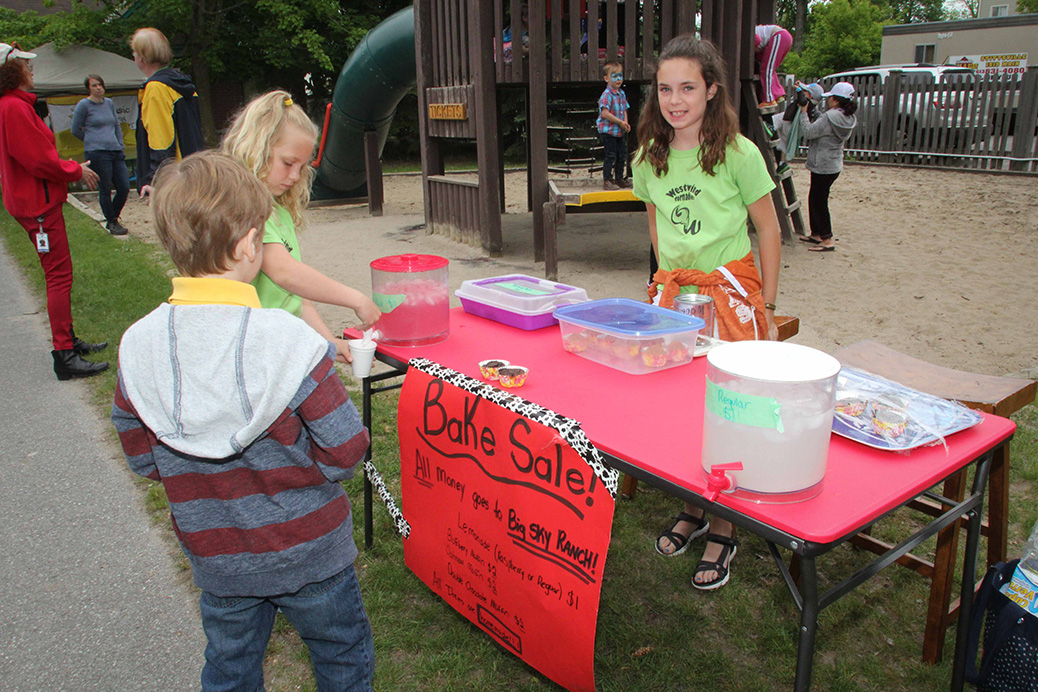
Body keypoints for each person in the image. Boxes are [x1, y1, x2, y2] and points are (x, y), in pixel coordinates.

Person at [111, 151, 375, 691]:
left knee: (230, 668)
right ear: (250, 244)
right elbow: (345, 447)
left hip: (218, 555)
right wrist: (311, 473)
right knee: (341, 657)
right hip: (310, 549)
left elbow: (141, 454)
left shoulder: (138, 345)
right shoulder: (290, 342)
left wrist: (195, 478)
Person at [633, 35, 781, 590]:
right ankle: (692, 508)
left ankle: (724, 527)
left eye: (687, 88)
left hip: (728, 295)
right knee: (678, 408)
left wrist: (767, 305)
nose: (675, 100)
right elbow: (656, 224)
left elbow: (769, 228)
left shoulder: (739, 153)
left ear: (712, 90)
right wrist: (664, 284)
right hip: (677, 300)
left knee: (726, 411)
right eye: (665, 89)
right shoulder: (648, 157)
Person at [221, 91, 380, 363]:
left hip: (281, 345)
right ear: (256, 149)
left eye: (303, 167)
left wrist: (329, 342)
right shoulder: (247, 211)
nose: (295, 176)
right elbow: (284, 273)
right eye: (287, 163)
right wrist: (355, 298)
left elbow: (295, 298)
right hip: (255, 352)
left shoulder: (279, 213)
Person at [0, 42, 109, 381]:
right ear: (10, 71)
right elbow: (37, 160)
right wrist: (75, 171)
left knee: (59, 274)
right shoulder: (13, 108)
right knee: (59, 276)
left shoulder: (15, 106)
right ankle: (64, 354)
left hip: (34, 201)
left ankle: (68, 341)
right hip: (38, 205)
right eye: (24, 64)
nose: (31, 69)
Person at [130, 27, 204, 197]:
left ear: (142, 57)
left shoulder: (156, 88)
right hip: (193, 170)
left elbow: (160, 141)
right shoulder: (183, 85)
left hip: (174, 179)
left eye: (134, 52)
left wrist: (158, 183)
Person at [798, 82, 857, 252]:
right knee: (815, 197)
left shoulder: (829, 117)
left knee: (819, 202)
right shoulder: (847, 117)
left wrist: (803, 112)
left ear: (836, 100)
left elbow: (809, 132)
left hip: (822, 165)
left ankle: (827, 238)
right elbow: (822, 123)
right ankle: (816, 233)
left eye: (830, 97)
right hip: (833, 164)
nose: (828, 100)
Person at [71, 74, 130, 236]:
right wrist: (91, 140)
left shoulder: (109, 103)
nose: (98, 88)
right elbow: (75, 129)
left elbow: (116, 125)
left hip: (115, 150)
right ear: (88, 89)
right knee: (105, 187)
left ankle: (113, 216)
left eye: (100, 84)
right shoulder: (84, 105)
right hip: (97, 152)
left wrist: (120, 144)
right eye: (94, 85)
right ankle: (111, 221)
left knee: (124, 186)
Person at [773, 81, 824, 171]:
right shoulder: (813, 104)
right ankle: (782, 163)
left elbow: (802, 100)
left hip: (791, 123)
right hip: (792, 123)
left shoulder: (807, 102)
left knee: (777, 121)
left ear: (810, 95)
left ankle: (771, 126)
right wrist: (800, 85)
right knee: (785, 143)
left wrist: (798, 90)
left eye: (805, 91)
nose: (803, 92)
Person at [597, 60, 631, 190]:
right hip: (608, 131)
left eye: (620, 76)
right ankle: (607, 180)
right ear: (606, 78)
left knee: (622, 155)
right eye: (615, 76)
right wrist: (620, 122)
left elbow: (625, 109)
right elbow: (605, 113)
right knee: (611, 155)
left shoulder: (621, 93)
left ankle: (619, 178)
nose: (618, 79)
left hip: (619, 131)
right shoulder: (607, 95)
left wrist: (625, 123)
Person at [754, 24, 793, 109]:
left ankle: (769, 100)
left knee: (766, 69)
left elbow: (757, 40)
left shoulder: (748, 32)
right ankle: (778, 94)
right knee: (770, 69)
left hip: (779, 36)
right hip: (784, 37)